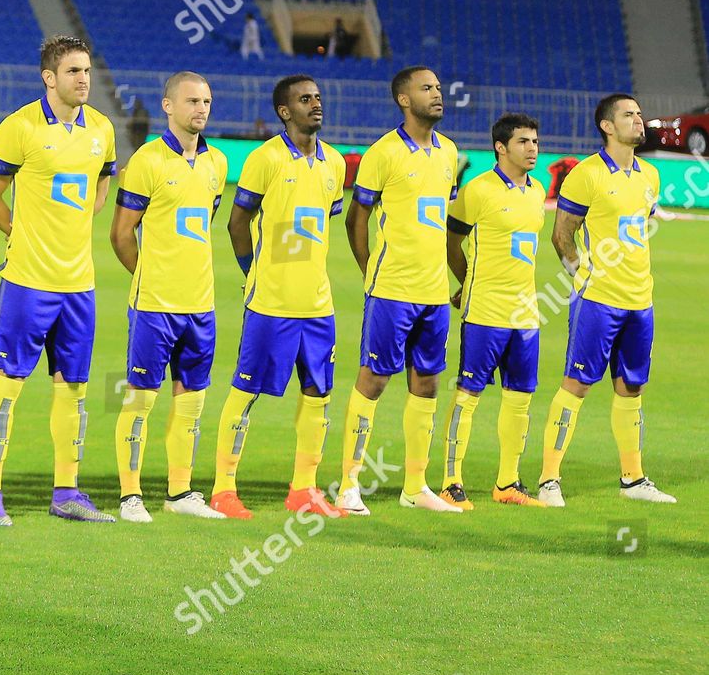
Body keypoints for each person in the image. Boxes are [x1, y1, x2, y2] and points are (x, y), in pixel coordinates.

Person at [0, 35, 118, 525]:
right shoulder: (18, 128)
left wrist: (81, 219)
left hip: (79, 284)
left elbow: (102, 181)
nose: (84, 80)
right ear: (49, 77)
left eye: (87, 71)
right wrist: (19, 230)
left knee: (73, 389)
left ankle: (67, 493)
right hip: (28, 281)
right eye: (74, 71)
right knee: (7, 384)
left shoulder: (101, 128)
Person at [209, 77, 347, 520]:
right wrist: (254, 273)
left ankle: (304, 489)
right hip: (271, 304)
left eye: (318, 98)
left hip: (319, 306)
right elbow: (237, 223)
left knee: (317, 395)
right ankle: (223, 489)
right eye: (304, 100)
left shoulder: (336, 164)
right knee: (246, 391)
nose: (315, 105)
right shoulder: (264, 158)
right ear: (285, 111)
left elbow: (325, 222)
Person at [336, 66, 461, 516]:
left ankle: (415, 485)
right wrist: (370, 270)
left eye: (438, 88)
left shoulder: (449, 152)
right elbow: (358, 218)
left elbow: (442, 223)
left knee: (426, 384)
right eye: (427, 88)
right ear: (404, 100)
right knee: (373, 380)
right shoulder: (383, 152)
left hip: (433, 292)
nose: (437, 94)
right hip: (391, 289)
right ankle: (349, 483)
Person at [539, 95, 676, 506]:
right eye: (628, 115)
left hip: (641, 300)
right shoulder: (586, 175)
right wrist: (580, 276)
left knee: (631, 387)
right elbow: (561, 234)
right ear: (607, 126)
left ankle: (633, 480)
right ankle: (549, 481)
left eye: (638, 114)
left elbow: (641, 225)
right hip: (597, 299)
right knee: (577, 384)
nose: (638, 120)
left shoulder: (649, 174)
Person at [109, 72, 228, 522]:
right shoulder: (147, 161)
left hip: (201, 305)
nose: (201, 109)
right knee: (142, 397)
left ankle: (180, 492)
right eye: (193, 101)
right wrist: (150, 276)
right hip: (155, 305)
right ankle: (129, 495)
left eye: (207, 101)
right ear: (168, 106)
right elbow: (121, 234)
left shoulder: (216, 164)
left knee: (191, 399)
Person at [440, 113, 547, 510]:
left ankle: (508, 483)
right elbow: (451, 242)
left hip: (526, 314)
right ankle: (451, 481)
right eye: (523, 142)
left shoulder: (538, 192)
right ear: (501, 147)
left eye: (534, 141)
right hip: (485, 310)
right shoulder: (478, 190)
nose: (532, 148)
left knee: (520, 397)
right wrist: (466, 281)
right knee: (468, 394)